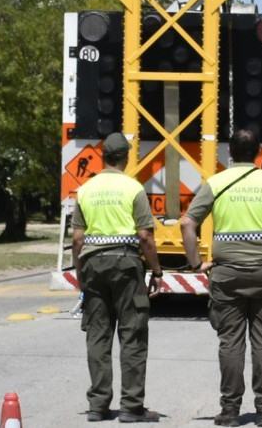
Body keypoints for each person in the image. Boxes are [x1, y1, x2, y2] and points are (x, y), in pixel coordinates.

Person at [180, 129, 262, 428]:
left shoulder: (216, 182)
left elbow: (188, 223)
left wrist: (197, 262)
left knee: (231, 342)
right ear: (258, 154)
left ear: (230, 154)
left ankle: (229, 412)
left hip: (227, 273)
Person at [72, 132, 163, 423]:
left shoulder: (86, 190)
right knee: (132, 334)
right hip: (125, 264)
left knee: (98, 336)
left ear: (102, 156)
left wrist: (80, 273)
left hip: (92, 264)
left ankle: (98, 406)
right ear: (126, 156)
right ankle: (131, 407)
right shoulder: (133, 188)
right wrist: (157, 270)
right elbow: (145, 235)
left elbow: (77, 238)